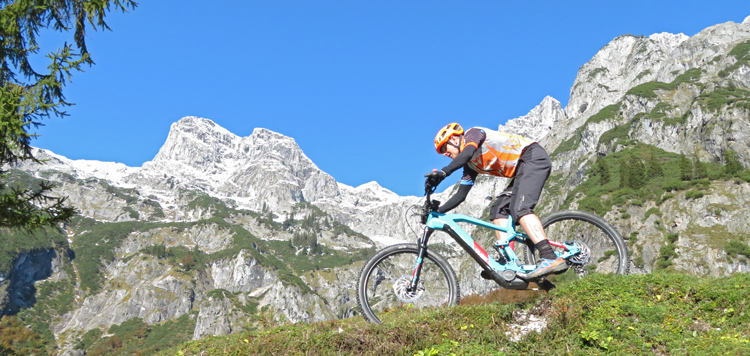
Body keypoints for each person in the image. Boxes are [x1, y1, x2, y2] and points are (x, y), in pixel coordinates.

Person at [424, 122, 566, 280]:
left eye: (444, 148)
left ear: (455, 140)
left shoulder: (473, 134)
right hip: (522, 169)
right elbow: (461, 194)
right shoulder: (471, 165)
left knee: (520, 208)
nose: (444, 154)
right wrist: (437, 213)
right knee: (498, 210)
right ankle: (508, 261)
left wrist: (444, 172)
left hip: (532, 157)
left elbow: (468, 152)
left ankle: (549, 256)